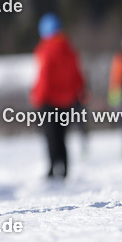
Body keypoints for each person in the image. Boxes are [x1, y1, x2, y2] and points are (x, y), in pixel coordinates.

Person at [30, 13, 86, 180]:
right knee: (62, 136)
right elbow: (78, 75)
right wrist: (80, 93)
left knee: (51, 136)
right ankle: (65, 168)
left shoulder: (45, 50)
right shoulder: (69, 49)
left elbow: (44, 77)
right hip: (67, 101)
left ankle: (53, 168)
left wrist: (38, 97)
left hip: (49, 100)